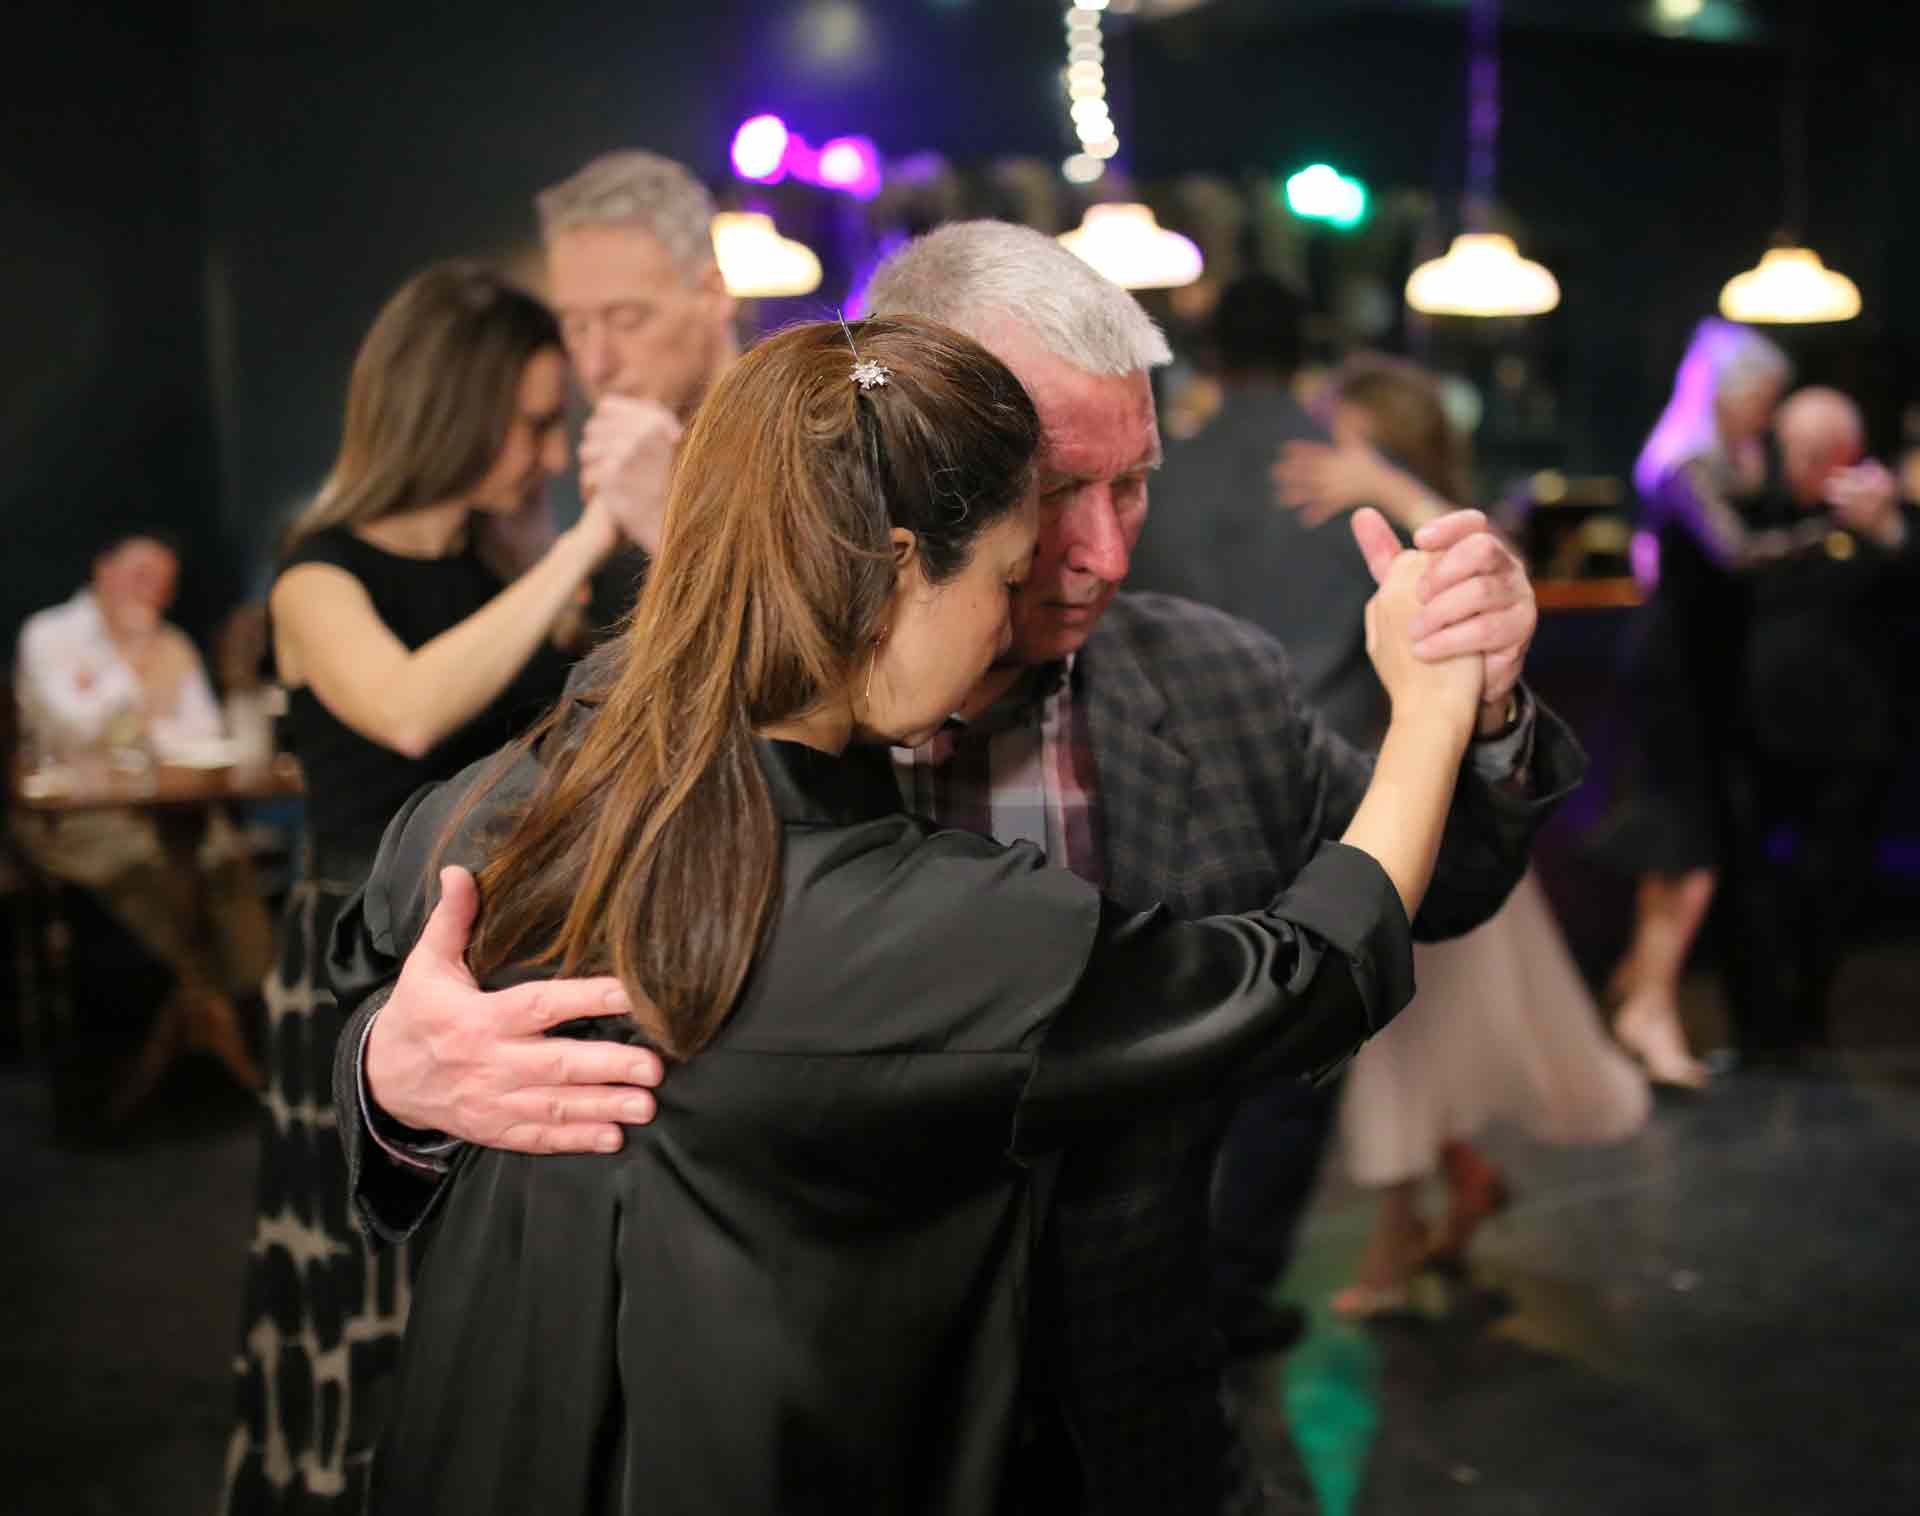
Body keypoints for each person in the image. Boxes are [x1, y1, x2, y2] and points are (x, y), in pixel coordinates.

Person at [338, 222, 1585, 1514]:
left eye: (1135, 485)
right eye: (1051, 492)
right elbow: (407, 958)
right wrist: (393, 1074)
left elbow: (1432, 886)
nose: (1102, 551)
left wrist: (1483, 703)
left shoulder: (1215, 685)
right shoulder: (664, 719)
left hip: (1126, 1424)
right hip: (816, 1442)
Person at [219, 261, 653, 1514]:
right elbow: (409, 709)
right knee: (360, 1270)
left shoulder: (494, 571)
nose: (547, 452)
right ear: (452, 409)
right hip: (353, 962)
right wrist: (590, 534)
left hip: (478, 958)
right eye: (531, 423)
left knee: (467, 1289)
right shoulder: (318, 575)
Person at [1280, 355, 1649, 1317]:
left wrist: (1378, 483)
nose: (1322, 454)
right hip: (1378, 795)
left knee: (1406, 1039)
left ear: (1385, 441)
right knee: (1408, 1040)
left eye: (1344, 438)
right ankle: (1445, 1195)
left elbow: (1477, 556)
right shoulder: (1332, 526)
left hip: (1441, 817)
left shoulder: (1426, 523)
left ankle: (1403, 1235)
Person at [1597, 318, 1807, 1088]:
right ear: (1729, 390)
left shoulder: (1725, 459)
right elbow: (1737, 553)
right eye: (1763, 397)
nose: (1768, 413)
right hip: (1674, 672)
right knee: (1687, 852)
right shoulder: (1686, 461)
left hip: (1705, 674)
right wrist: (1831, 533)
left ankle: (1640, 992)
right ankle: (1646, 1006)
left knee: (1685, 850)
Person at [12, 533, 274, 1113]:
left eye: (163, 580)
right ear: (102, 570)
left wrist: (139, 707)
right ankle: (203, 1011)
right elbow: (75, 732)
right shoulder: (51, 634)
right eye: (139, 574)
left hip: (170, 808)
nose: (150, 590)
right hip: (77, 817)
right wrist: (133, 664)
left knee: (222, 856)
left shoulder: (173, 642)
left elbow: (203, 733)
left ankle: (225, 1006)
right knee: (147, 867)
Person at [1731, 387, 1918, 1063]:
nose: (1808, 464)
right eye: (1797, 449)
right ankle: (1761, 1027)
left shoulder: (1888, 519)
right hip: (1758, 730)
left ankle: (1810, 1012)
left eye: (1823, 450)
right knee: (1749, 882)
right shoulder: (1758, 510)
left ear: (1851, 450)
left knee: (1831, 881)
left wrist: (1887, 529)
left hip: (1851, 737)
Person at [478, 149, 737, 625]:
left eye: (627, 319)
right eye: (576, 326)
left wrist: (664, 519)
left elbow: (823, 658)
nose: (596, 365)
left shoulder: (812, 441)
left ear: (712, 295)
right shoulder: (605, 477)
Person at [1130, 274, 1384, 745]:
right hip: (1341, 752)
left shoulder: (1154, 484)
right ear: (1303, 355)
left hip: (1192, 752)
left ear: (1213, 356)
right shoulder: (1364, 483)